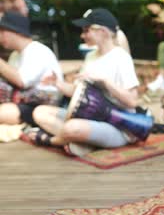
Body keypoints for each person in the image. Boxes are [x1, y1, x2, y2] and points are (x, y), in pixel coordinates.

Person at [30, 8, 140, 156]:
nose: (82, 35)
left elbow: (132, 101)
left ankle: (53, 140)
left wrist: (105, 81)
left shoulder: (121, 58)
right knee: (40, 112)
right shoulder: (91, 57)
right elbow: (78, 92)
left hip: (118, 126)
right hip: (88, 117)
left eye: (86, 30)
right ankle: (84, 141)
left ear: (103, 32)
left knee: (72, 128)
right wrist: (57, 84)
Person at [0, 11, 63, 126]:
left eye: (2, 31)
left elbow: (22, 81)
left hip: (43, 107)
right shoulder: (15, 54)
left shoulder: (37, 51)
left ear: (16, 31)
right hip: (22, 102)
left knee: (3, 113)